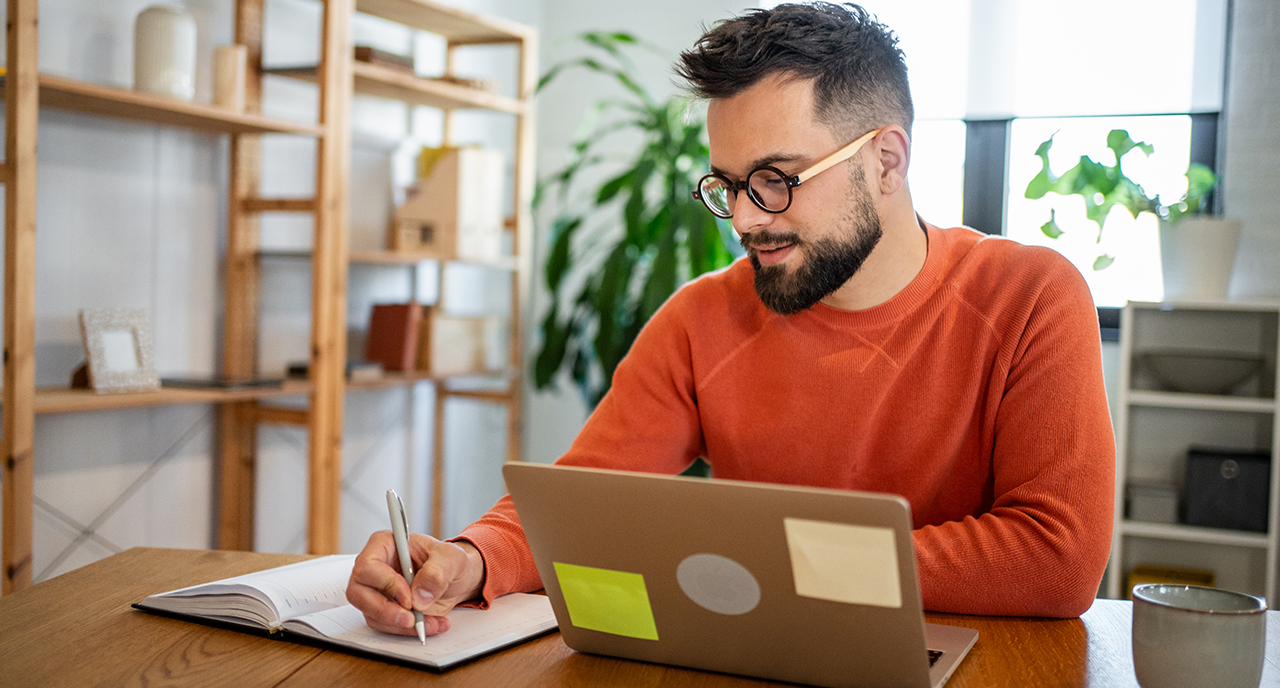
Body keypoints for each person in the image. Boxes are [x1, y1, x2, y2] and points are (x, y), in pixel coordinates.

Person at [346, 2, 1115, 635]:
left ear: (886, 161)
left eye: (777, 180)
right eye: (728, 186)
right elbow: (584, 501)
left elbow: (1056, 557)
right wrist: (468, 560)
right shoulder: (701, 319)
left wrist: (786, 566)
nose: (746, 220)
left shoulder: (1031, 299)